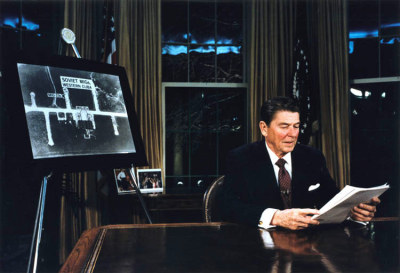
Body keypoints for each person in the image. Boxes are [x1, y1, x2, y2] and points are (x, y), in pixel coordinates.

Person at [222, 96, 380, 230]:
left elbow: (332, 200)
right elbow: (228, 206)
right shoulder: (241, 158)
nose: (292, 134)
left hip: (307, 248)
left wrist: (351, 211)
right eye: (284, 127)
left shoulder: (313, 157)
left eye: (296, 126)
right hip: (258, 249)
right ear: (264, 128)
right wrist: (276, 217)